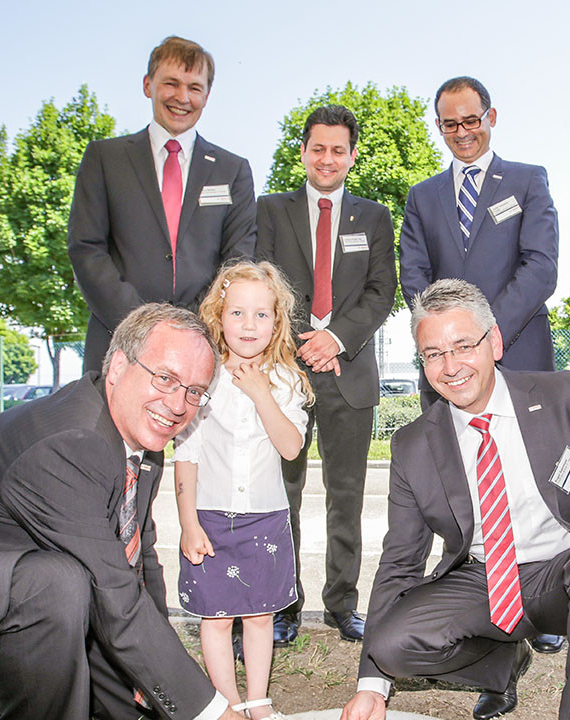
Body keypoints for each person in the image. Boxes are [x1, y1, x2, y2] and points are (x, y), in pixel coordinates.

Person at [0, 304, 250, 720]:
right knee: (59, 585)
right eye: (166, 378)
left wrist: (152, 688)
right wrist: (211, 712)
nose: (177, 404)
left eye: (194, 391)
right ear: (118, 365)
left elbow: (139, 564)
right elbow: (111, 594)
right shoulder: (74, 442)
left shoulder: (140, 439)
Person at [340, 279, 570, 720]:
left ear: (493, 342)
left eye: (462, 346)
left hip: (568, 572)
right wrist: (372, 687)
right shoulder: (412, 445)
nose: (450, 366)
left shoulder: (562, 397)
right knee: (389, 645)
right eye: (433, 354)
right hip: (483, 581)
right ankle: (503, 662)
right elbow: (399, 563)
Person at [256, 105, 397, 645]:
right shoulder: (271, 210)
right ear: (303, 152)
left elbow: (381, 292)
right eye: (319, 148)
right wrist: (300, 344)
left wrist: (335, 338)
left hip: (349, 369)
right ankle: (283, 604)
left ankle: (341, 602)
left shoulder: (375, 217)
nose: (328, 159)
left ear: (352, 156)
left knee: (347, 494)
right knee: (282, 491)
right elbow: (260, 281)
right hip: (285, 370)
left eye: (339, 150)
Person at [69, 35, 256, 375]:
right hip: (117, 343)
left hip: (204, 345)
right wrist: (143, 325)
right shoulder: (105, 159)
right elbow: (86, 250)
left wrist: (193, 325)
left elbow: (237, 259)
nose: (183, 98)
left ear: (207, 95)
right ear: (147, 85)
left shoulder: (234, 170)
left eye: (195, 88)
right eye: (171, 83)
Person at [174, 262, 311, 720]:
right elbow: (187, 457)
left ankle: (258, 700)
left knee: (258, 614)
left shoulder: (286, 380)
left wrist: (260, 393)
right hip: (210, 517)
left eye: (260, 314)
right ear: (218, 315)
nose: (248, 325)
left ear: (276, 321)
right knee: (215, 618)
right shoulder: (203, 378)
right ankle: (227, 705)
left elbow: (291, 447)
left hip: (265, 518)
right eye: (237, 313)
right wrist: (189, 524)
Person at [399, 76, 559, 407]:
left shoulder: (528, 180)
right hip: (448, 364)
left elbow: (541, 266)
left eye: (471, 120)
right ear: (439, 126)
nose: (462, 132)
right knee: (452, 457)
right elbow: (413, 274)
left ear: (492, 117)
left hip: (520, 351)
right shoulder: (421, 196)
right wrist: (454, 341)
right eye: (450, 124)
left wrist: (486, 332)